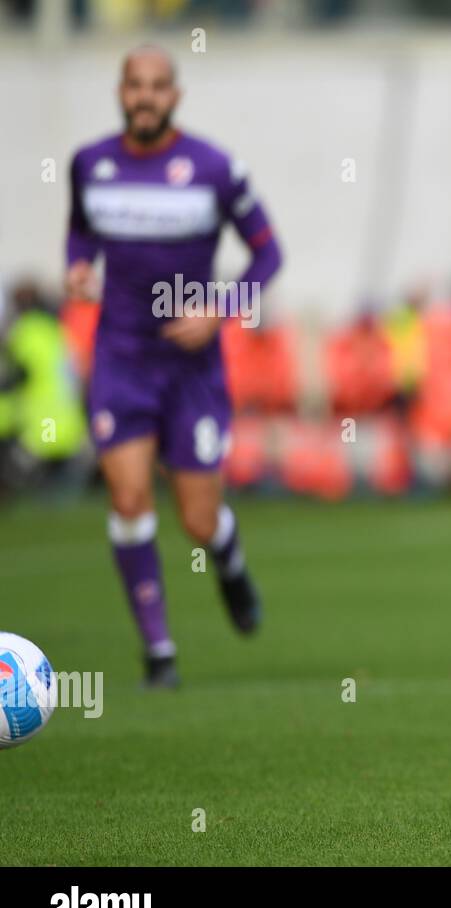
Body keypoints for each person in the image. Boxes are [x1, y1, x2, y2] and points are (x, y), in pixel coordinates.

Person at [66, 45, 282, 687]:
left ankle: (227, 553)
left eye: (159, 86)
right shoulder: (90, 165)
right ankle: (158, 651)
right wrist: (77, 266)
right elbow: (80, 232)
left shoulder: (213, 169)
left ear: (176, 96)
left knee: (195, 517)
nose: (146, 96)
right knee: (130, 496)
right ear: (120, 91)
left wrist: (221, 310)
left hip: (192, 372)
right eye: (136, 85)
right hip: (121, 360)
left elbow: (270, 255)